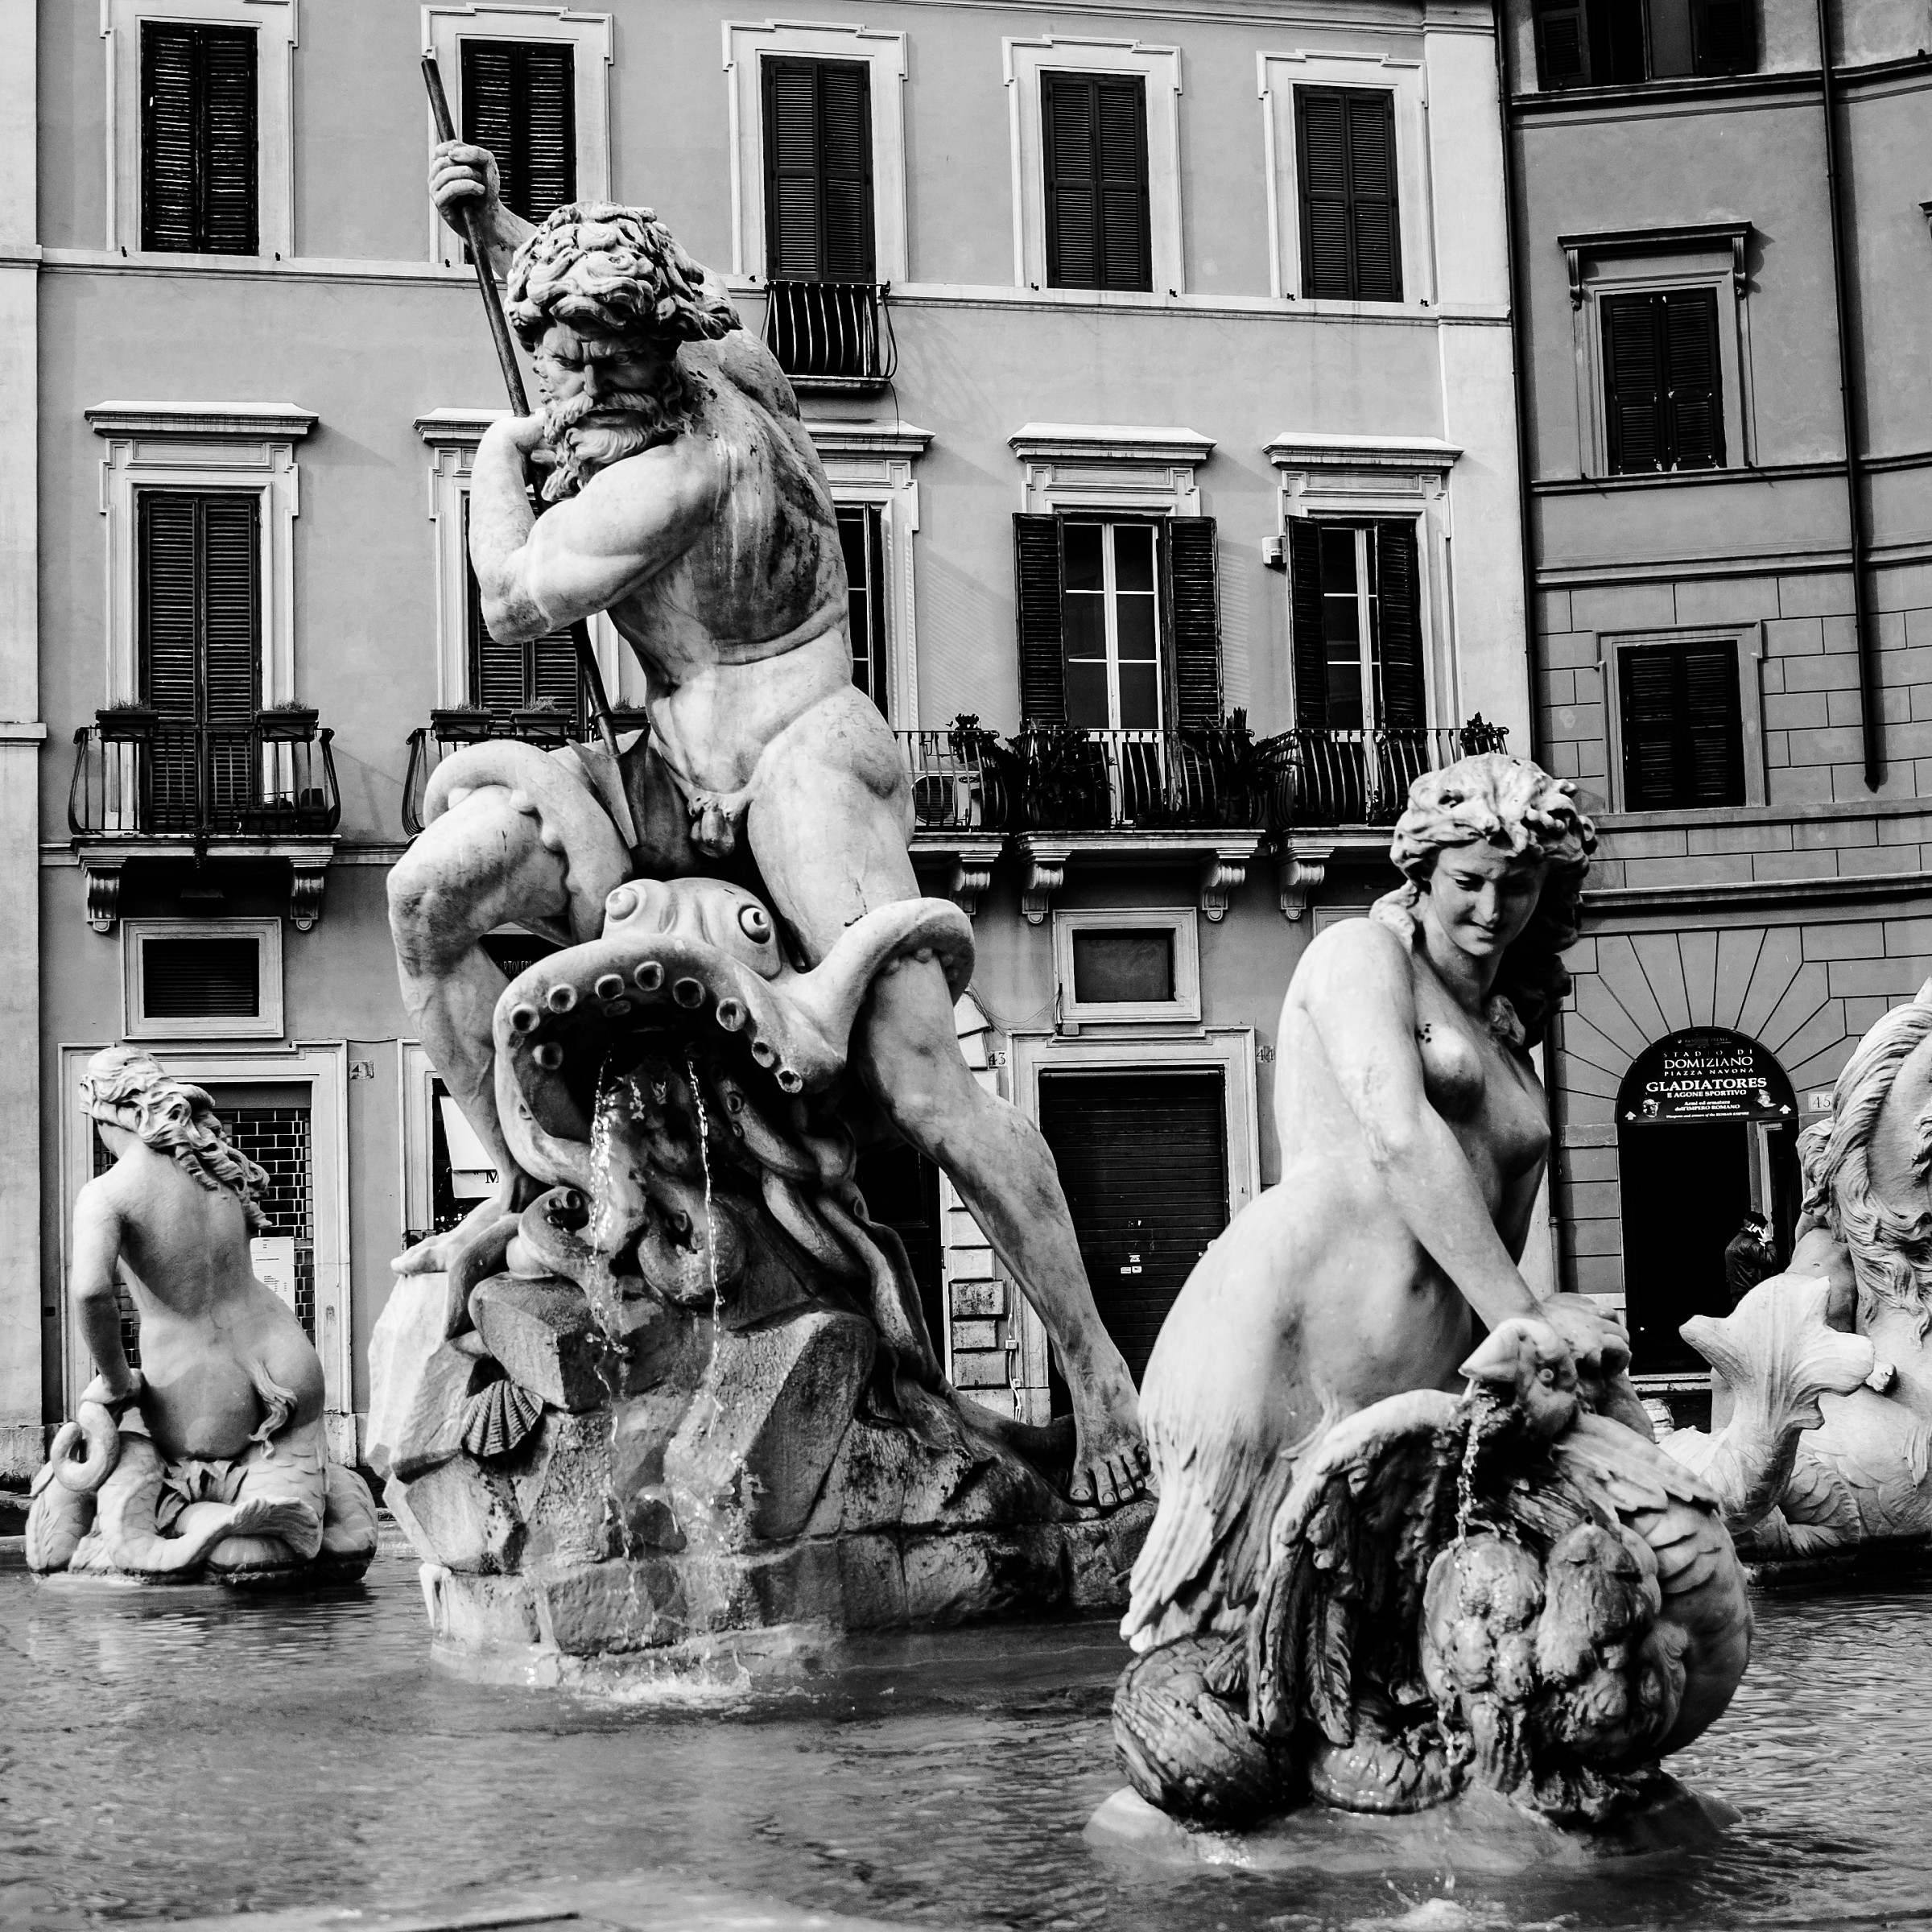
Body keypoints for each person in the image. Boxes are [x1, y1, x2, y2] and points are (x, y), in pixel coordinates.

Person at [391, 146, 1146, 1509]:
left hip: (800, 758)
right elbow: (605, 282)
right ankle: (522, 1179)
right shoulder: (728, 345)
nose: (561, 394)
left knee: (926, 1087)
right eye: (549, 363)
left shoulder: (680, 473)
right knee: (429, 897)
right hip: (663, 776)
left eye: (575, 371)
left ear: (632, 366)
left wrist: (499, 454)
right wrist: (499, 229)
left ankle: (1096, 1378)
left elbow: (512, 597)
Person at [1123, 754, 1636, 1648]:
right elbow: (1399, 1134)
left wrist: (1529, 1354)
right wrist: (1533, 1327)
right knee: (1216, 1638)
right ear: (1424, 873)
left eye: (1516, 886)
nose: (1490, 908)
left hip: (1420, 1384)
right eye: (1469, 881)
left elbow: (1491, 1246)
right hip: (1278, 1348)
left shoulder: (1510, 1043)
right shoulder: (1358, 955)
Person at [1723, 1212, 1778, 1308]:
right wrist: (1769, 1242)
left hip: (1736, 1297)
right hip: (1752, 1296)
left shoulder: (1731, 1245)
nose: (1765, 1230)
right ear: (1755, 1227)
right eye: (1763, 1228)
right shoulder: (1751, 1245)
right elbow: (1771, 1261)